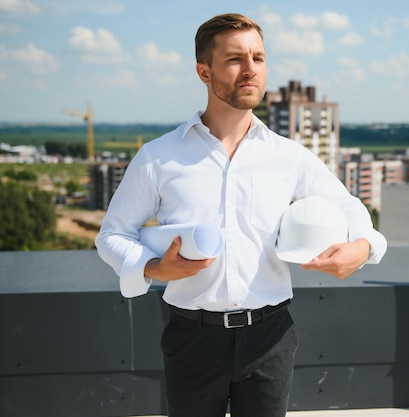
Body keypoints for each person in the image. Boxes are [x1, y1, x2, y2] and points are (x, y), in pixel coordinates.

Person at [95, 12, 387, 417]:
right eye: (235, 59)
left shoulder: (288, 156)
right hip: (192, 339)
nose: (251, 69)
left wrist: (363, 246)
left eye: (259, 58)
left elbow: (351, 208)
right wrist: (153, 268)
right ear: (204, 72)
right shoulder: (159, 157)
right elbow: (112, 235)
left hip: (271, 338)